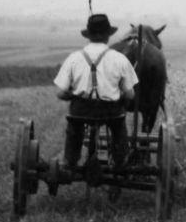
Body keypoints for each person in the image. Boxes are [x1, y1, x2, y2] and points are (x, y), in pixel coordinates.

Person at [54, 14, 139, 171]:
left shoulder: (73, 58)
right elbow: (130, 95)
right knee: (119, 125)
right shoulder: (120, 59)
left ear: (89, 36)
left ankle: (70, 160)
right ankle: (120, 161)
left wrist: (73, 95)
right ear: (108, 37)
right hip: (111, 112)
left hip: (80, 111)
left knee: (75, 125)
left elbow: (60, 93)